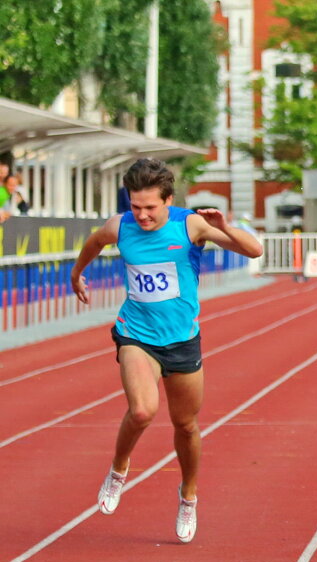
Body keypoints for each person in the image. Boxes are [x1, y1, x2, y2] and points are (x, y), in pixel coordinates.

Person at [70, 158, 264, 542]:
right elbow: (93, 243)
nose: (141, 215)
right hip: (136, 334)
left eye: (150, 207)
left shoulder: (188, 224)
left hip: (182, 340)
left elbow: (254, 250)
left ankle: (188, 496)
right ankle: (119, 470)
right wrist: (77, 274)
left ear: (168, 200)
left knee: (186, 425)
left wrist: (223, 227)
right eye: (135, 206)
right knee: (142, 410)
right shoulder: (119, 226)